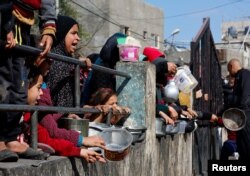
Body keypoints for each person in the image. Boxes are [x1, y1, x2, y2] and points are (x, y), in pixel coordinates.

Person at [0, 0, 56, 162]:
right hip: (5, 13)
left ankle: (10, 137)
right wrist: (4, 22)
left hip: (24, 22)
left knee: (19, 82)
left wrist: (48, 27)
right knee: (2, 80)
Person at [23, 67, 105, 163]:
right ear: (25, 86)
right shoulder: (26, 117)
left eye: (42, 88)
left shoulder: (30, 116)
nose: (41, 93)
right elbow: (52, 132)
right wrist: (82, 141)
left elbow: (48, 140)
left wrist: (79, 151)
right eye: (38, 87)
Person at [46, 15, 91, 108]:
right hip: (56, 118)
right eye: (73, 33)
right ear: (61, 34)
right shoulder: (53, 59)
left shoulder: (68, 60)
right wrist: (76, 63)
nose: (78, 38)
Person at [226, 58, 250, 162]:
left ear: (231, 67)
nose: (229, 73)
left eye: (229, 70)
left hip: (245, 117)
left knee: (246, 145)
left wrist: (241, 111)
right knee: (241, 146)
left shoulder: (244, 74)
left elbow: (245, 95)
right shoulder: (239, 77)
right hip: (241, 118)